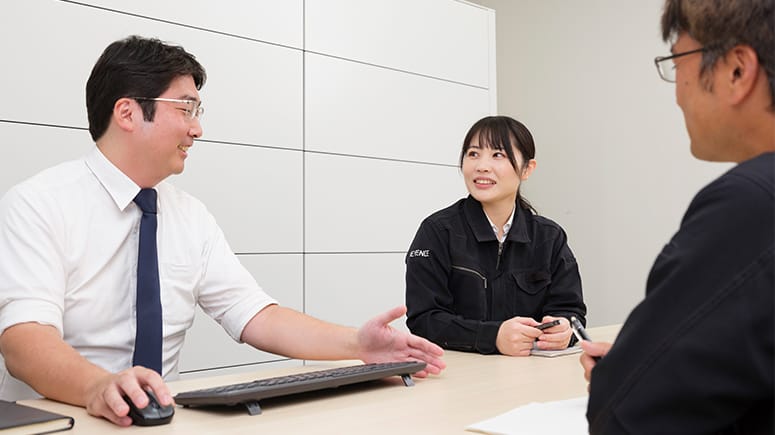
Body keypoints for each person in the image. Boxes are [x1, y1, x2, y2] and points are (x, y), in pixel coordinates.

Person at [0, 35, 445, 427]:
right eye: (186, 108)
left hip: (163, 421)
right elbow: (24, 340)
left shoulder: (189, 215)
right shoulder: (38, 203)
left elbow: (256, 315)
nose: (197, 128)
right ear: (128, 112)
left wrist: (357, 345)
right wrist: (100, 387)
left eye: (198, 110)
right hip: (68, 418)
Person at [579, 0, 774, 433]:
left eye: (677, 62)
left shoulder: (750, 205)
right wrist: (647, 361)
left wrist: (629, 375)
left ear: (737, 70)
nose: (677, 91)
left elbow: (628, 417)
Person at [405, 115, 587, 356]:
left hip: (532, 373)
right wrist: (493, 337)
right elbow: (424, 320)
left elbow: (572, 311)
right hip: (459, 378)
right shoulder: (437, 231)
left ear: (527, 169)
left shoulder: (549, 237)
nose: (481, 165)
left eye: (498, 155)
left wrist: (566, 330)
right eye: (473, 154)